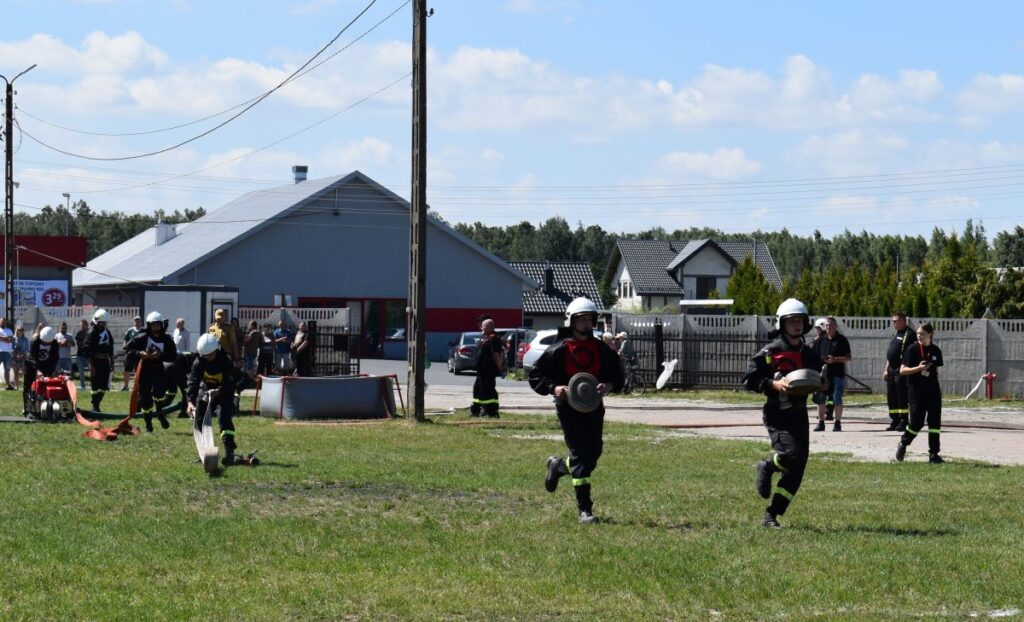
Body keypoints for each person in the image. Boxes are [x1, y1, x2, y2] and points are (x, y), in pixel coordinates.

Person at [530, 297, 623, 524]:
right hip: (569, 409)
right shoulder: (558, 349)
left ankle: (559, 465)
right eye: (580, 319)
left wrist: (608, 385)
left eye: (589, 319)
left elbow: (617, 375)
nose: (585, 324)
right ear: (571, 321)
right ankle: (585, 510)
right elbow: (536, 375)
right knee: (582, 456)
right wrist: (555, 388)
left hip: (594, 407)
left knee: (593, 454)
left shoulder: (601, 349)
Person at [743, 298, 826, 530]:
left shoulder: (809, 353)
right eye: (792, 321)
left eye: (800, 320)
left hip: (799, 415)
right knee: (790, 454)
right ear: (782, 323)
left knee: (798, 467)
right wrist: (773, 385)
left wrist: (823, 385)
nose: (797, 325)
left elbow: (820, 378)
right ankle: (767, 466)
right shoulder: (770, 351)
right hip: (777, 413)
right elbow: (749, 380)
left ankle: (772, 514)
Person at [188, 333, 249, 467]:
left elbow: (230, 382)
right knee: (199, 419)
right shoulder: (198, 362)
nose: (208, 358)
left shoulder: (226, 361)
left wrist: (219, 391)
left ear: (217, 350)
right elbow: (193, 382)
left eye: (210, 355)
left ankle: (229, 453)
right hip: (206, 390)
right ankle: (202, 453)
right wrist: (190, 402)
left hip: (224, 392)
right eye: (205, 356)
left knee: (224, 418)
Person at [895, 323, 945, 464]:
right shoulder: (912, 349)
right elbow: (902, 370)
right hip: (916, 391)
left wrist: (937, 388)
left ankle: (934, 454)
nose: (919, 336)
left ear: (930, 335)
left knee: (935, 422)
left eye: (922, 334)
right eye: (918, 334)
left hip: (933, 391)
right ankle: (903, 443)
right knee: (917, 422)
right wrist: (919, 368)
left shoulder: (936, 350)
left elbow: (938, 371)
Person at [125, 311, 177, 432]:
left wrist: (160, 355)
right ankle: (148, 424)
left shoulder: (167, 339)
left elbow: (173, 356)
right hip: (144, 370)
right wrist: (140, 353)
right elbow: (129, 350)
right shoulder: (142, 336)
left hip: (159, 369)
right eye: (153, 325)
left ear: (162, 325)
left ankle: (160, 413)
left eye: (158, 324)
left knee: (159, 393)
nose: (156, 327)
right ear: (149, 325)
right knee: (145, 398)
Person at [814, 317, 852, 432]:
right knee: (820, 399)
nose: (828, 327)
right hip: (823, 375)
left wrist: (834, 359)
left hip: (837, 375)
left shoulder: (842, 340)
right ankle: (821, 423)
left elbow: (849, 358)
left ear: (836, 327)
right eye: (826, 325)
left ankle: (837, 423)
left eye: (830, 325)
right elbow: (815, 355)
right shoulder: (821, 339)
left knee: (837, 398)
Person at [883, 312, 916, 432]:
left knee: (901, 395)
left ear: (902, 321)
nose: (893, 323)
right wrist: (886, 369)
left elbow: (911, 353)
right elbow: (890, 353)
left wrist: (904, 368)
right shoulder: (895, 333)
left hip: (901, 369)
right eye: (892, 321)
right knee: (891, 396)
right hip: (891, 369)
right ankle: (894, 420)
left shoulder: (910, 334)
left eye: (894, 321)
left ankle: (903, 420)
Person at [469, 318, 503, 418]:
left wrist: (500, 368)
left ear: (489, 327)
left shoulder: (493, 339)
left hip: (488, 371)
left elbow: (496, 354)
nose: (481, 328)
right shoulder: (486, 338)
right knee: (477, 390)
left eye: (483, 326)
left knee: (488, 391)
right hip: (481, 371)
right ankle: (475, 411)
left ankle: (492, 412)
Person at [23, 326, 60, 417]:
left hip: (46, 365)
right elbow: (32, 357)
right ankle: (27, 407)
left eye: (48, 343)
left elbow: (54, 359)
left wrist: (51, 371)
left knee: (45, 386)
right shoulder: (34, 342)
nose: (46, 344)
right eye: (44, 342)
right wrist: (38, 370)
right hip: (31, 365)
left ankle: (45, 406)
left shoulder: (55, 344)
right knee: (28, 386)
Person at [83, 309, 115, 412]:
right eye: (102, 322)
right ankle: (95, 406)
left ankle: (96, 404)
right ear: (97, 321)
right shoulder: (91, 333)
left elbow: (111, 347)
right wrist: (91, 366)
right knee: (95, 385)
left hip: (105, 362)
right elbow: (86, 350)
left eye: (105, 322)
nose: (104, 324)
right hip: (95, 362)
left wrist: (112, 360)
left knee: (104, 386)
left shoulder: (107, 332)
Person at [122, 315, 143, 390]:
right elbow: (125, 339)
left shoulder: (143, 330)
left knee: (139, 370)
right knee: (127, 369)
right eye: (136, 320)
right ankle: (126, 386)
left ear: (141, 321)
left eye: (139, 320)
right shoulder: (130, 330)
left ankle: (137, 386)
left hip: (140, 352)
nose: (137, 322)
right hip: (130, 352)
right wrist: (125, 345)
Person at [74, 319, 90, 390]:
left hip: (88, 356)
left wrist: (84, 344)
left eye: (83, 325)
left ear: (87, 325)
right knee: (81, 371)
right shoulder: (79, 333)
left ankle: (94, 385)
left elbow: (90, 344)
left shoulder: (90, 333)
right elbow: (78, 343)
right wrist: (84, 344)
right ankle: (83, 386)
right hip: (80, 355)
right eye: (81, 325)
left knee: (92, 371)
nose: (82, 326)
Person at [0, 317, 14, 390]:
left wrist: (4, 339)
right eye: (1, 321)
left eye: (4, 322)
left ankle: (8, 385)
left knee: (7, 370)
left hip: (7, 353)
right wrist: (6, 338)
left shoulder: (9, 330)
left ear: (6, 322)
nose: (3, 323)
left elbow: (11, 340)